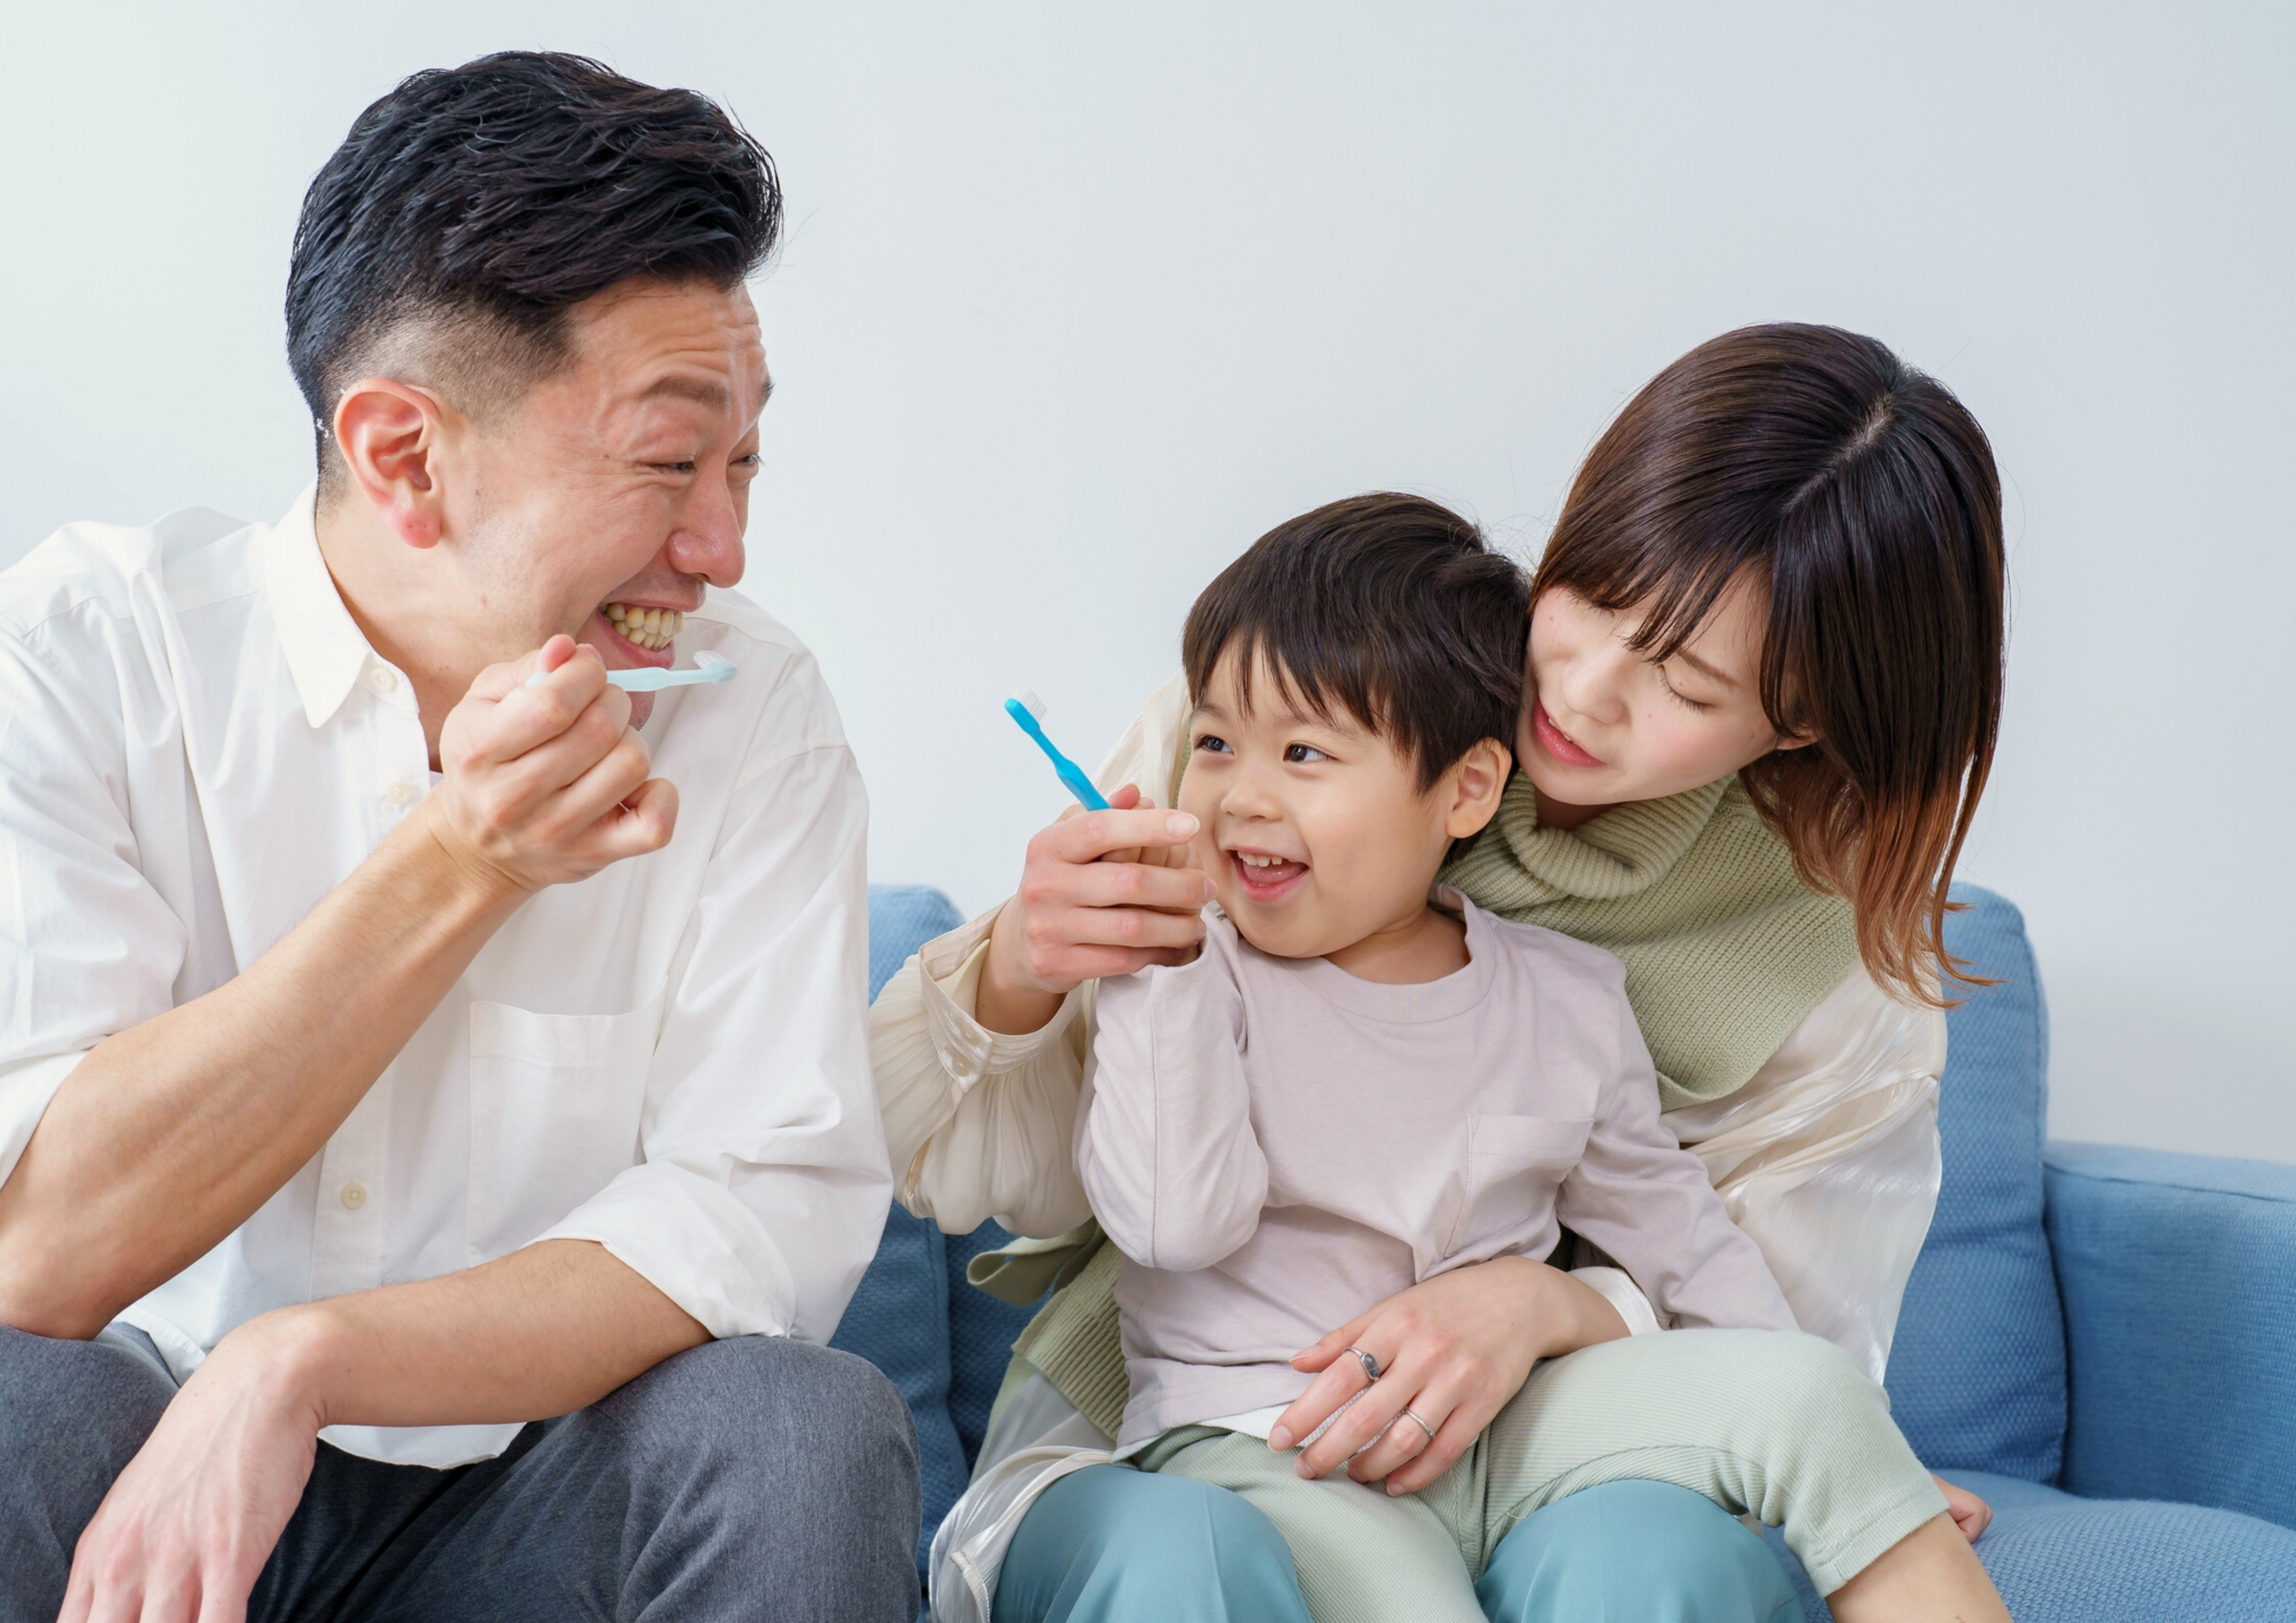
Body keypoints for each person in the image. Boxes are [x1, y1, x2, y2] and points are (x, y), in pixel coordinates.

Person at [872, 323, 2008, 1623]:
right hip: (1230, 1410)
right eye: (1591, 593)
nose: (1577, 694)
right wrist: (1031, 960)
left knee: (1719, 1499)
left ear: (1801, 721)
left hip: (1546, 1428)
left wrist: (1543, 1304)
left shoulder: (1716, 970)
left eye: (1686, 680)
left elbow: (1731, 1285)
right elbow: (1011, 1170)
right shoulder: (1277, 741)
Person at [0, 52, 917, 1623]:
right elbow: (38, 1254)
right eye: (669, 461)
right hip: (142, 1469)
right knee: (18, 1400)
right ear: (403, 456)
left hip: (539, 1487)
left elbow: (755, 1215)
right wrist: (461, 858)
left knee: (798, 1423)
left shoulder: (755, 712)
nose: (723, 546)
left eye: (745, 459)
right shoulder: (90, 650)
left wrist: (303, 1361)